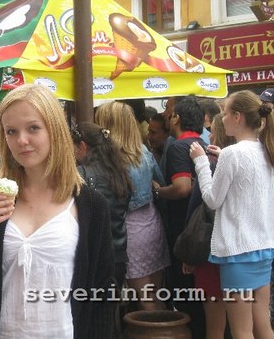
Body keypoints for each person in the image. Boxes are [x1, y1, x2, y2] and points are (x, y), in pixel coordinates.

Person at [0, 84, 115, 338]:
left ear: (54, 130)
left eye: (33, 128)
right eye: (11, 131)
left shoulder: (90, 205)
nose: (22, 140)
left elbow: (103, 292)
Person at [190, 90, 274, 338]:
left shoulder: (233, 154)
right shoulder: (267, 150)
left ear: (238, 117)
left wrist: (201, 163)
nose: (223, 118)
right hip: (263, 247)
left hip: (238, 252)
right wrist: (222, 157)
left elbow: (212, 199)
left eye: (225, 113)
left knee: (242, 331)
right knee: (262, 326)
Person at [95, 101, 170, 311]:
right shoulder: (143, 152)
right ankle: (168, 326)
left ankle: (161, 329)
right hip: (152, 223)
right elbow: (161, 183)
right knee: (154, 293)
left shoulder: (110, 159)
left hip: (129, 229)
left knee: (146, 299)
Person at [154, 95, 206, 337]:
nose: (166, 115)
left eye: (170, 112)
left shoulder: (177, 146)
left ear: (176, 118)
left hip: (183, 231)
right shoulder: (203, 143)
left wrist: (158, 191)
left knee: (186, 297)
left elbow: (182, 187)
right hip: (201, 230)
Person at [183, 113, 234, 339]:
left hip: (211, 249)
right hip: (241, 251)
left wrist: (189, 253)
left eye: (212, 130)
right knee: (243, 323)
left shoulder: (212, 163)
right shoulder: (248, 161)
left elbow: (197, 206)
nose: (209, 135)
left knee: (215, 325)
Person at [71, 121, 131, 290]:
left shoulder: (80, 174)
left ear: (82, 146)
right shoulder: (120, 172)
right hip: (118, 254)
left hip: (92, 256)